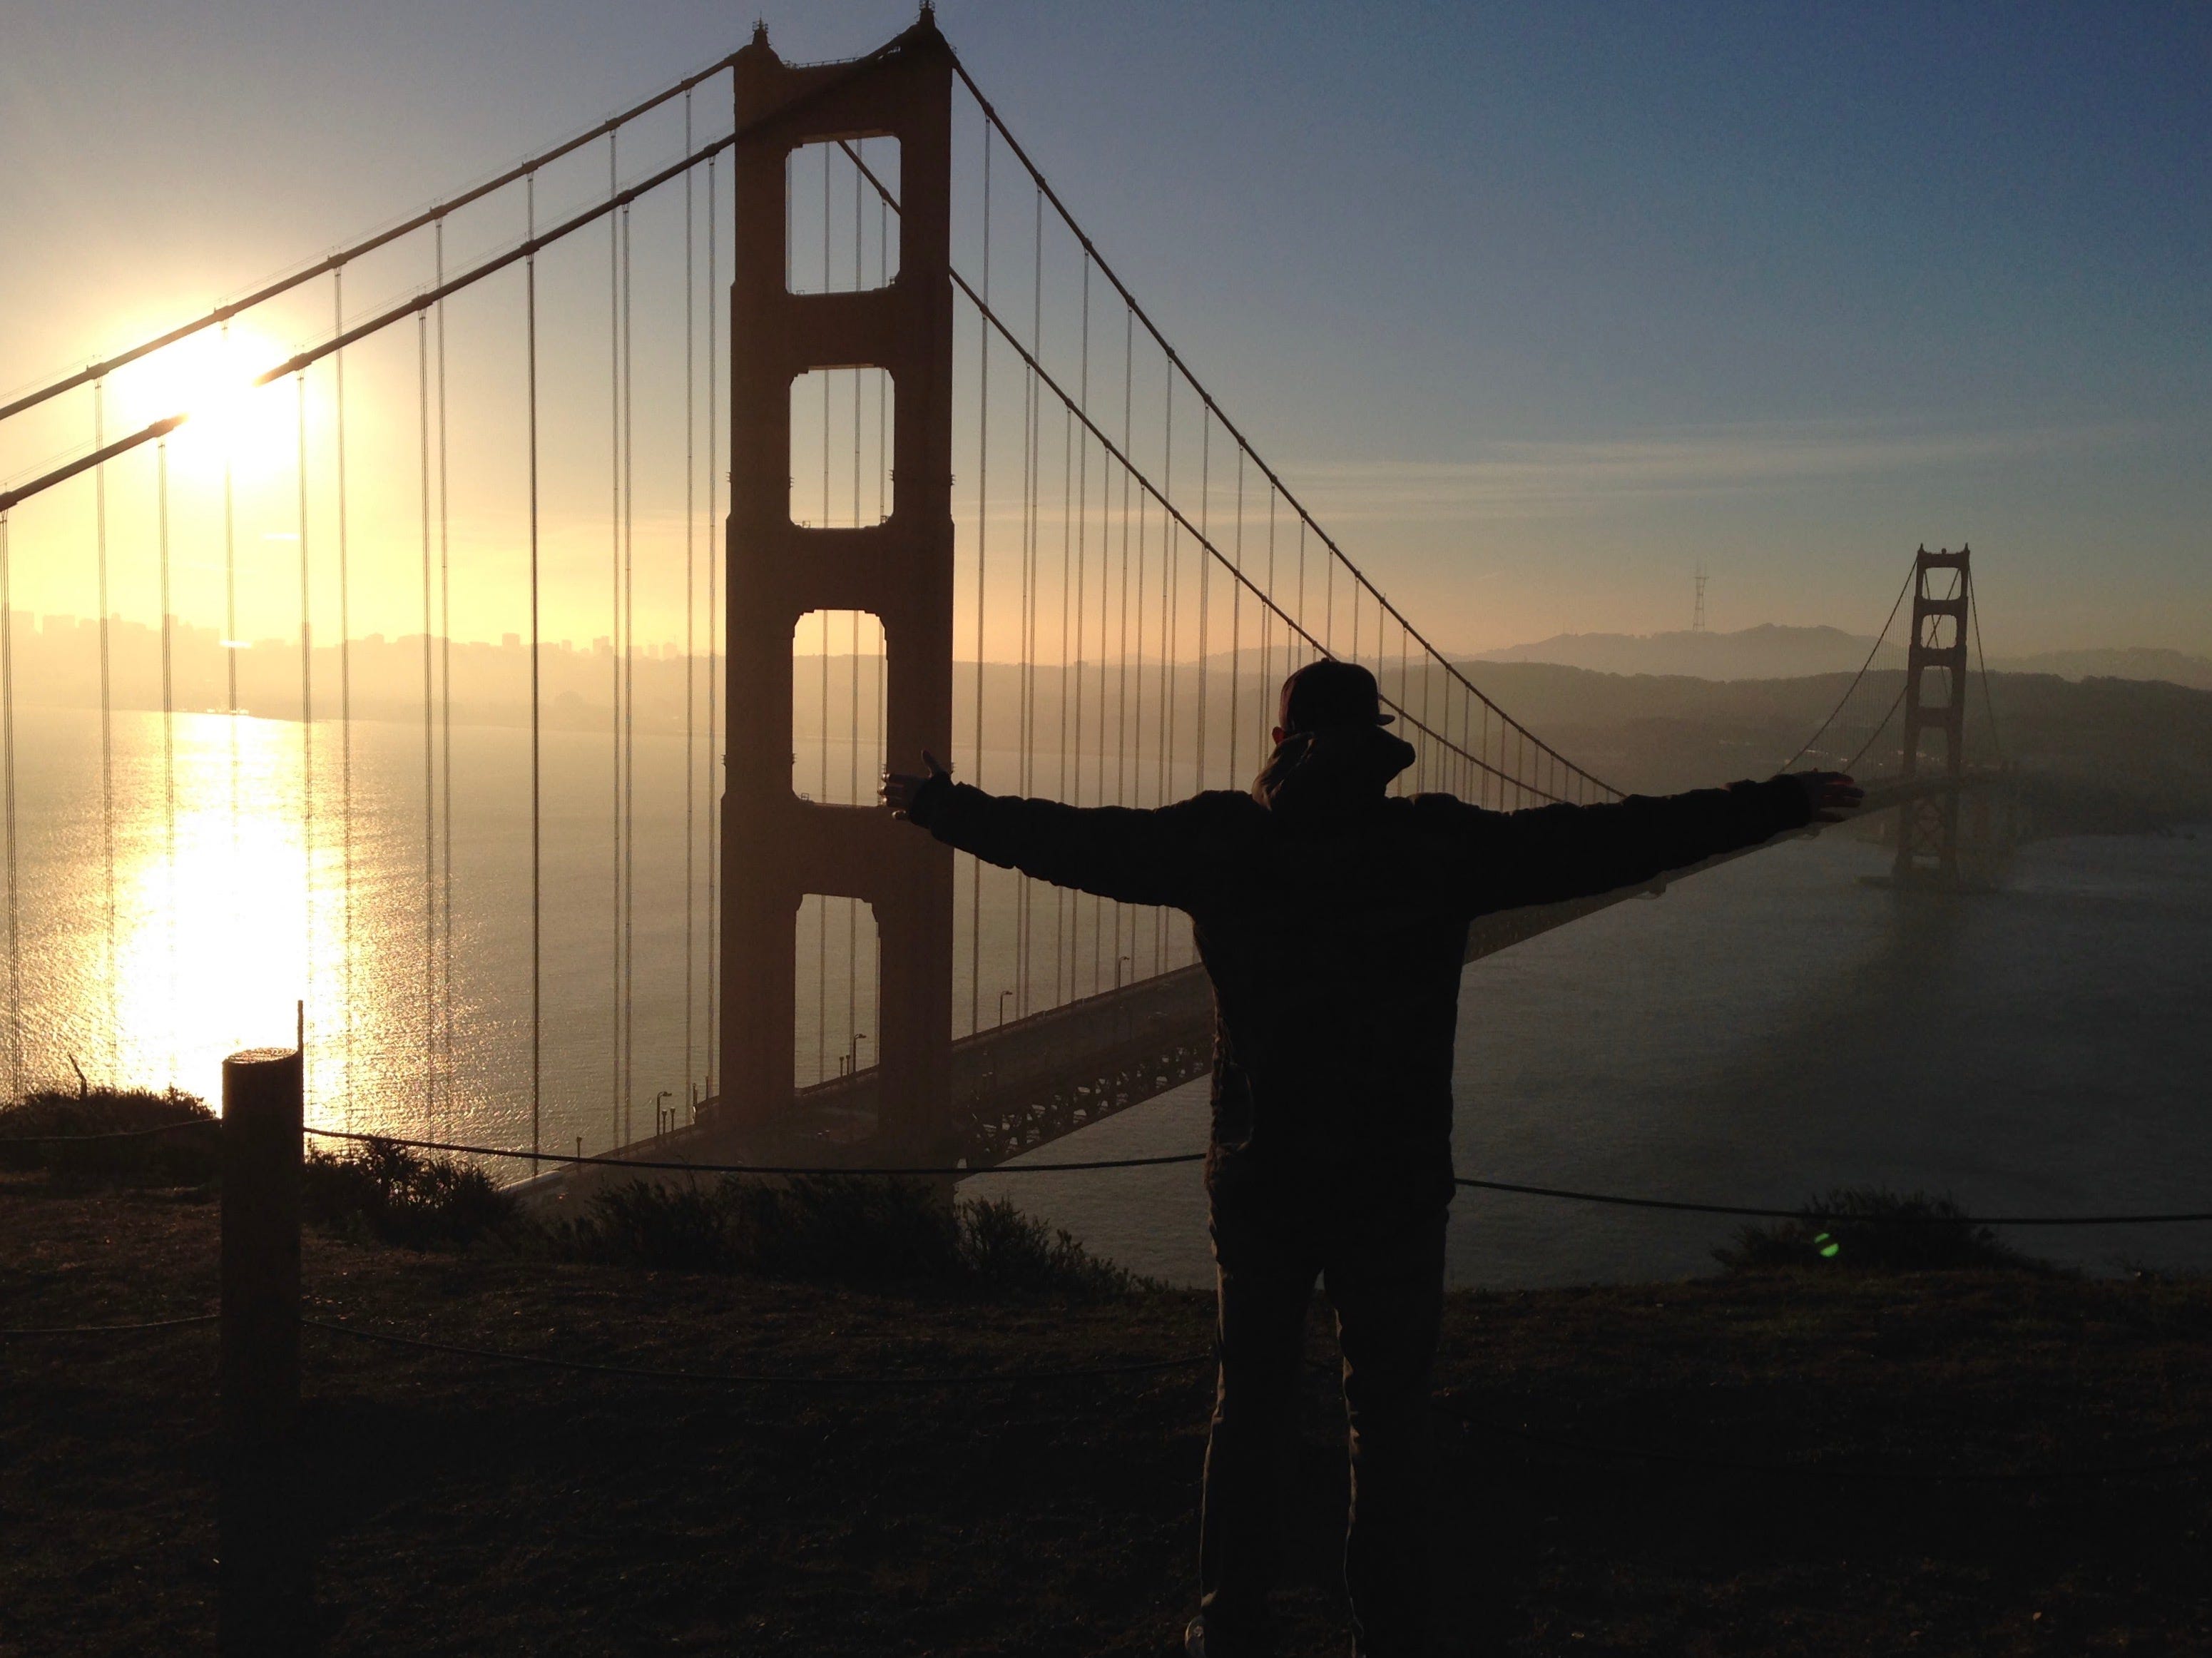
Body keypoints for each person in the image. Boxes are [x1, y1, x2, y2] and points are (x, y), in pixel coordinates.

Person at [885, 658, 1861, 1658]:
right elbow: (1614, 839)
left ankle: (1228, 1626)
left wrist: (941, 806)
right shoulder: (1437, 845)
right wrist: (1780, 800)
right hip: (1393, 1187)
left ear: (1278, 745)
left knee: (1250, 1407)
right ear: (1380, 741)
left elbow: (1072, 841)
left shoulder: (1220, 841)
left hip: (1259, 1183)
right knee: (1388, 1419)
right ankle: (1389, 1633)